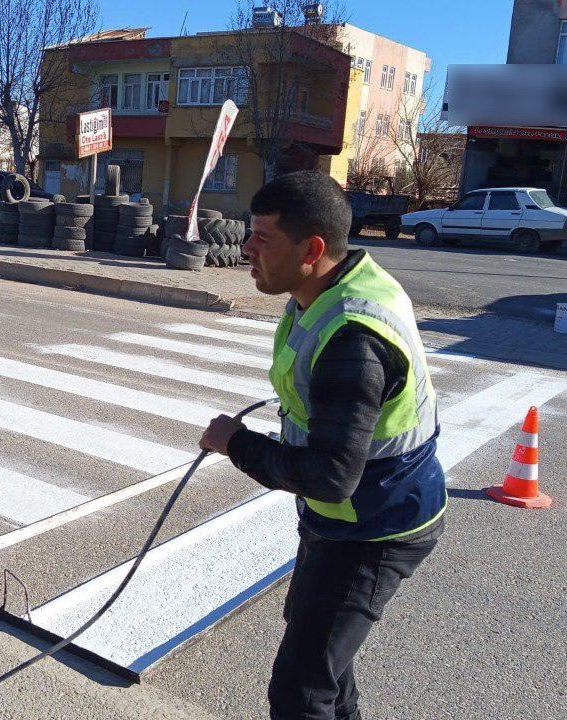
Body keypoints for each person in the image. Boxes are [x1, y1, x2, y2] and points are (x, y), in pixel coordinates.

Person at [199, 171, 446, 720]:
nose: (247, 249)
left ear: (311, 250)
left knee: (301, 690)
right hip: (346, 516)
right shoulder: (329, 290)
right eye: (248, 233)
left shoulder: (352, 338)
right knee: (322, 657)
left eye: (263, 238)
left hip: (375, 526)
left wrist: (236, 444)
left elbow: (331, 476)